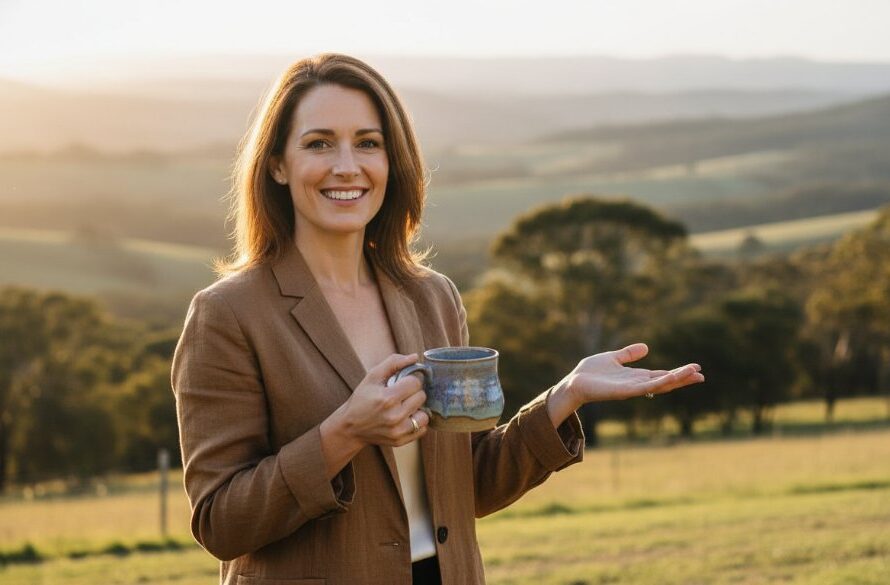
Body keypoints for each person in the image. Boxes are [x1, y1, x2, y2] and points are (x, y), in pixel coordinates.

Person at [171, 53, 704, 585]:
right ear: (277, 165)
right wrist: (344, 432)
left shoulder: (432, 298)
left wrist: (565, 396)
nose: (347, 165)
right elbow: (220, 522)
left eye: (368, 142)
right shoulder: (228, 314)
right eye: (318, 143)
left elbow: (467, 482)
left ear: (391, 160)